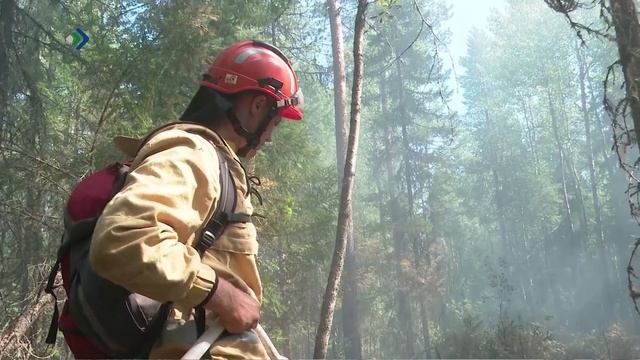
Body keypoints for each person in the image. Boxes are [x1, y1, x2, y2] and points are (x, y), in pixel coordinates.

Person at [88, 40, 303, 358]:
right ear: (258, 106)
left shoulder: (209, 158)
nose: (271, 134)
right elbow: (124, 238)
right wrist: (221, 295)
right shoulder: (193, 152)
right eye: (276, 120)